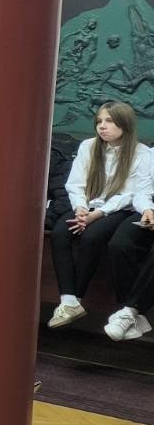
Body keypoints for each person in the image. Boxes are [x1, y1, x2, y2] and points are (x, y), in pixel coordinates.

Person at [49, 102, 144, 328]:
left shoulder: (140, 153)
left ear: (125, 123)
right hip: (87, 204)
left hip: (116, 208)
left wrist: (97, 215)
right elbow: (76, 183)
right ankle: (69, 300)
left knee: (92, 237)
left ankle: (79, 297)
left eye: (109, 121)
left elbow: (129, 194)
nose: (102, 127)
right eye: (99, 121)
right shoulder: (88, 146)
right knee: (61, 232)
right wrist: (81, 208)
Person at [104, 147, 154, 341]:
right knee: (120, 244)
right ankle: (133, 314)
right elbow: (141, 192)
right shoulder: (150, 154)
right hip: (149, 210)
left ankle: (129, 311)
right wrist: (147, 210)